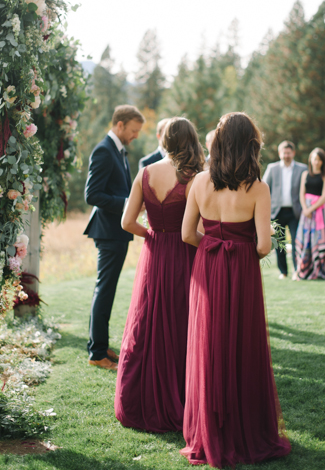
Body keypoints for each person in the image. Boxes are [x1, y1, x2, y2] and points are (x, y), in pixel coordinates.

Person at [180, 112, 291, 467]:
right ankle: (243, 427)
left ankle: (209, 428)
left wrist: (213, 247)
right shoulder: (258, 188)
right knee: (242, 343)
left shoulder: (198, 182)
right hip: (241, 270)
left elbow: (186, 234)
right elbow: (262, 246)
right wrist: (238, 251)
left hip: (208, 267)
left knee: (209, 342)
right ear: (249, 146)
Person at [115, 118, 204, 432]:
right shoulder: (195, 178)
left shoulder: (145, 173)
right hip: (184, 254)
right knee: (182, 322)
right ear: (191, 142)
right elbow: (198, 229)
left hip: (154, 254)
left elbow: (127, 223)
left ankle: (139, 400)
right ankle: (182, 397)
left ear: (165, 141)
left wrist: (151, 234)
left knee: (149, 321)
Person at [84, 105, 145, 370]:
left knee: (106, 291)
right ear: (120, 125)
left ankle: (100, 345)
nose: (135, 136)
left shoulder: (118, 151)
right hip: (108, 232)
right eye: (133, 130)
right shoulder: (104, 151)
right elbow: (92, 195)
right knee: (104, 290)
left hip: (116, 232)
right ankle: (97, 353)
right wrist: (128, 203)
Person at [262, 141, 307, 279]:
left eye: (289, 153)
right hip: (277, 212)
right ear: (279, 153)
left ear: (293, 153)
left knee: (296, 242)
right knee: (280, 244)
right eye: (284, 153)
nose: (286, 155)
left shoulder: (302, 169)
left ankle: (296, 271)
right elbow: (264, 187)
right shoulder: (272, 168)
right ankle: (283, 272)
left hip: (295, 212)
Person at [294, 148, 325, 280]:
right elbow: (301, 193)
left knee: (317, 239)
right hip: (306, 211)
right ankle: (303, 268)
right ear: (310, 160)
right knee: (305, 237)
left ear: (323, 162)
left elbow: (324, 196)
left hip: (318, 211)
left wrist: (311, 209)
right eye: (314, 159)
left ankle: (319, 268)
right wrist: (305, 209)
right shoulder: (305, 174)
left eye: (319, 159)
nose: (316, 162)